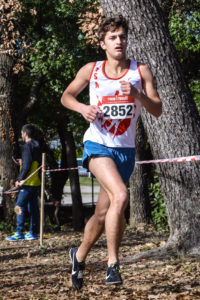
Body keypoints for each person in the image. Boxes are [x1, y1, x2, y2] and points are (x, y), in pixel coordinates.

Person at [61, 14, 162, 289]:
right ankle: (113, 264)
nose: (119, 41)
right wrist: (83, 108)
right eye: (113, 38)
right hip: (97, 145)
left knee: (104, 214)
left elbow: (157, 110)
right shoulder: (91, 70)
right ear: (103, 44)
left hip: (125, 152)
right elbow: (66, 96)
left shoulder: (141, 71)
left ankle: (78, 256)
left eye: (122, 36)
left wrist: (137, 95)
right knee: (121, 195)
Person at [6, 124, 41, 241]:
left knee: (18, 206)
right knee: (33, 208)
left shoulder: (27, 146)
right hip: (35, 181)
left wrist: (19, 179)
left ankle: (19, 232)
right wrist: (23, 161)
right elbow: (32, 163)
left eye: (22, 133)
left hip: (27, 183)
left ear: (25, 133)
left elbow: (26, 166)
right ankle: (33, 233)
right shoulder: (37, 145)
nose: (21, 135)